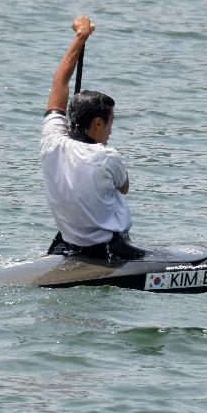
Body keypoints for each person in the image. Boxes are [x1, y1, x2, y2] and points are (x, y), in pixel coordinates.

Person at [41, 16, 146, 260]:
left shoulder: (51, 140)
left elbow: (60, 82)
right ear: (97, 123)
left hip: (69, 241)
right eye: (110, 124)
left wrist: (80, 36)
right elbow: (125, 187)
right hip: (108, 250)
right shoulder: (106, 156)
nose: (110, 132)